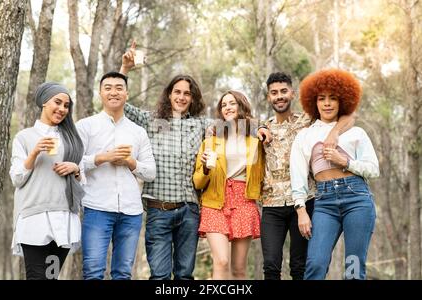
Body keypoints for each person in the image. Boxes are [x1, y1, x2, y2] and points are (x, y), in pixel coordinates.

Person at [119, 42, 212, 280]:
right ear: (169, 94)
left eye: (187, 93)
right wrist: (125, 68)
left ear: (192, 99)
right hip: (158, 210)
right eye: (177, 92)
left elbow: (234, 124)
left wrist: (262, 128)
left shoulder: (200, 124)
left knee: (184, 276)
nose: (181, 97)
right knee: (159, 276)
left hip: (190, 211)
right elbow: (118, 102)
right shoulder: (151, 120)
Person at [258, 72, 355, 280]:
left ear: (292, 93)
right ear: (268, 97)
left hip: (305, 202)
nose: (279, 96)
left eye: (284, 91)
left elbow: (349, 116)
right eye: (274, 93)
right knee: (271, 265)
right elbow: (233, 125)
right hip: (271, 205)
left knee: (299, 266)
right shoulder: (263, 127)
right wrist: (257, 128)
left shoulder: (308, 121)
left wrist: (334, 133)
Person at [290, 68, 379, 280]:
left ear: (342, 101)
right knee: (315, 264)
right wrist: (301, 210)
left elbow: (373, 169)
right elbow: (298, 176)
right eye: (322, 98)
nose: (327, 103)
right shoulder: (304, 135)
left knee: (353, 267)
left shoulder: (356, 132)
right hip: (324, 202)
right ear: (314, 102)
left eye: (333, 98)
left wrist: (345, 162)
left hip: (357, 198)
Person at [76, 71, 156, 280]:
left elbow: (150, 172)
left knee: (122, 274)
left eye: (119, 88)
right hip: (97, 208)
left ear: (126, 94)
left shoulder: (138, 131)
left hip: (131, 211)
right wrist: (102, 158)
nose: (114, 92)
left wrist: (130, 162)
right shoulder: (85, 126)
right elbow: (73, 164)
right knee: (93, 272)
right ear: (100, 93)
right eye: (108, 88)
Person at [10, 82, 84, 280]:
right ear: (44, 102)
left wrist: (75, 169)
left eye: (66, 106)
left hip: (63, 219)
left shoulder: (72, 140)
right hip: (34, 218)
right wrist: (34, 152)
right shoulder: (24, 137)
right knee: (36, 276)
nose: (62, 109)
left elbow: (81, 183)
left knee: (50, 277)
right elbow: (17, 178)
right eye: (57, 102)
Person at [193, 91, 264, 279]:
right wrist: (207, 170)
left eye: (232, 103)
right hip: (215, 200)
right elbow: (198, 180)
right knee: (221, 261)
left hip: (244, 200)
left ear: (242, 106)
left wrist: (263, 129)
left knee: (239, 268)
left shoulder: (256, 140)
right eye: (224, 105)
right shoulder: (211, 140)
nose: (228, 107)